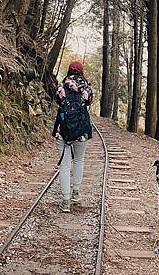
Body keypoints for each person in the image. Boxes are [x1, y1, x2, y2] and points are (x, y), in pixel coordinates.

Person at [52, 59, 93, 213]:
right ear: (81, 72)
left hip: (63, 131)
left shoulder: (62, 87)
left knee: (64, 165)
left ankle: (65, 201)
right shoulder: (87, 88)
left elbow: (59, 102)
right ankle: (76, 191)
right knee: (79, 159)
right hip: (81, 131)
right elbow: (88, 104)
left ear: (69, 71)